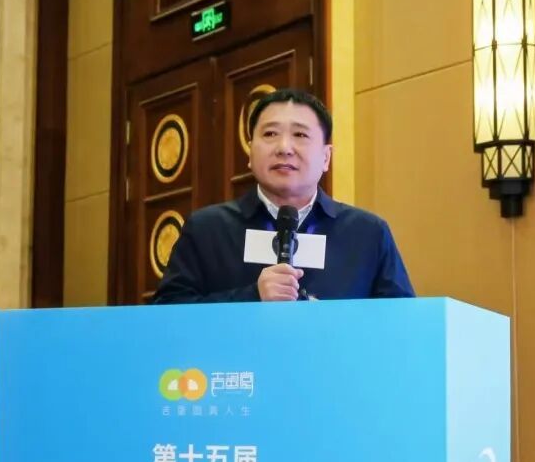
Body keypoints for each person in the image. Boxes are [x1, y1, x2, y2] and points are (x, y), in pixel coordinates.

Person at [152, 88, 414, 304]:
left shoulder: (368, 234)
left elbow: (401, 326)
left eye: (300, 135)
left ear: (326, 157)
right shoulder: (207, 229)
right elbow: (165, 314)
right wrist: (251, 296)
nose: (284, 148)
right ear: (250, 152)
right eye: (270, 134)